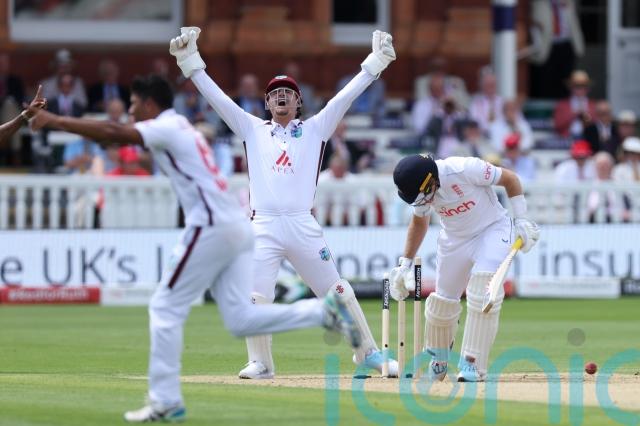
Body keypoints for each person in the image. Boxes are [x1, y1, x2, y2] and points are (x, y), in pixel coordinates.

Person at [29, 73, 361, 423]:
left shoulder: (167, 127)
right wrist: (193, 67)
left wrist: (54, 121)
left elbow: (113, 133)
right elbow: (117, 132)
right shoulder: (180, 126)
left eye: (134, 104)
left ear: (150, 104)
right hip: (235, 224)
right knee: (240, 318)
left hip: (211, 226)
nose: (130, 111)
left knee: (164, 306)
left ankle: (166, 400)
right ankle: (322, 313)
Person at [170, 26, 400, 379]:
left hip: (301, 223)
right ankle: (261, 363)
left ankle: (368, 353)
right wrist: (190, 62)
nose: (281, 97)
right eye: (275, 93)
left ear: (298, 102)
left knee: (337, 290)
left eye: (287, 93)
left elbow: (344, 98)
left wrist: (376, 62)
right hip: (263, 224)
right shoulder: (252, 128)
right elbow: (219, 100)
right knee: (256, 294)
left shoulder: (316, 128)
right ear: (266, 103)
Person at [389, 153, 540, 382]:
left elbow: (510, 179)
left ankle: (472, 363)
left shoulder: (464, 169)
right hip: (454, 239)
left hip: (493, 230)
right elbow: (419, 222)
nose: (424, 202)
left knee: (483, 292)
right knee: (441, 304)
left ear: (431, 181)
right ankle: (438, 358)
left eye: (424, 195)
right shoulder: (422, 189)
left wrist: (521, 219)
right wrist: (405, 263)